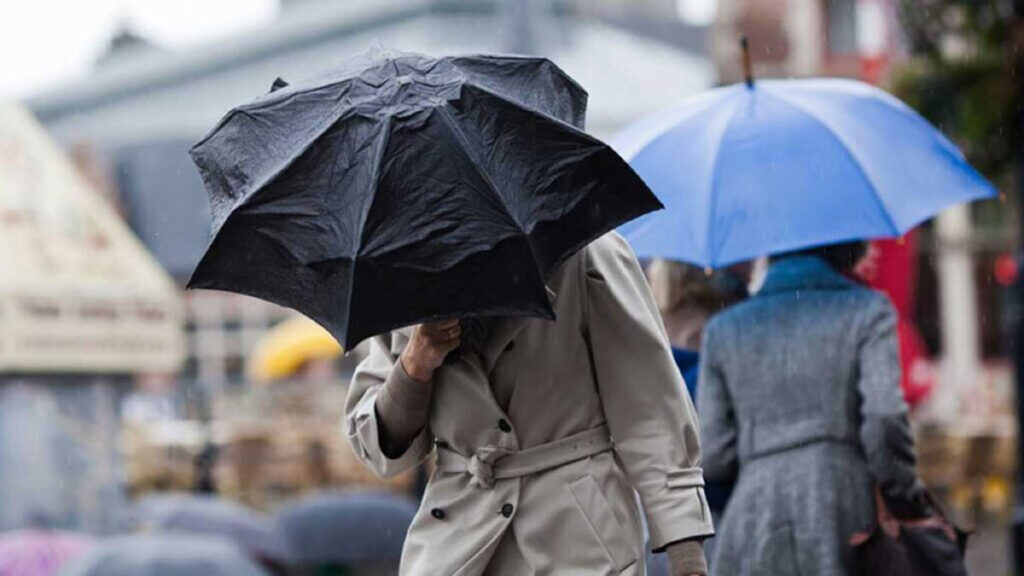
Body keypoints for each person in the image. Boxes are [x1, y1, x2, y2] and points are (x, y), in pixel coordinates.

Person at [345, 232, 714, 576]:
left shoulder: (584, 249)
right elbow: (382, 451)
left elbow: (648, 405)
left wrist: (686, 553)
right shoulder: (400, 274)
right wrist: (415, 364)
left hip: (579, 539)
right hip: (457, 545)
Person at [697, 241, 928, 576]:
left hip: (753, 515)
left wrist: (764, 456)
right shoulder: (866, 310)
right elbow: (884, 418)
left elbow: (713, 455)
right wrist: (904, 492)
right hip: (843, 505)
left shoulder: (722, 330)